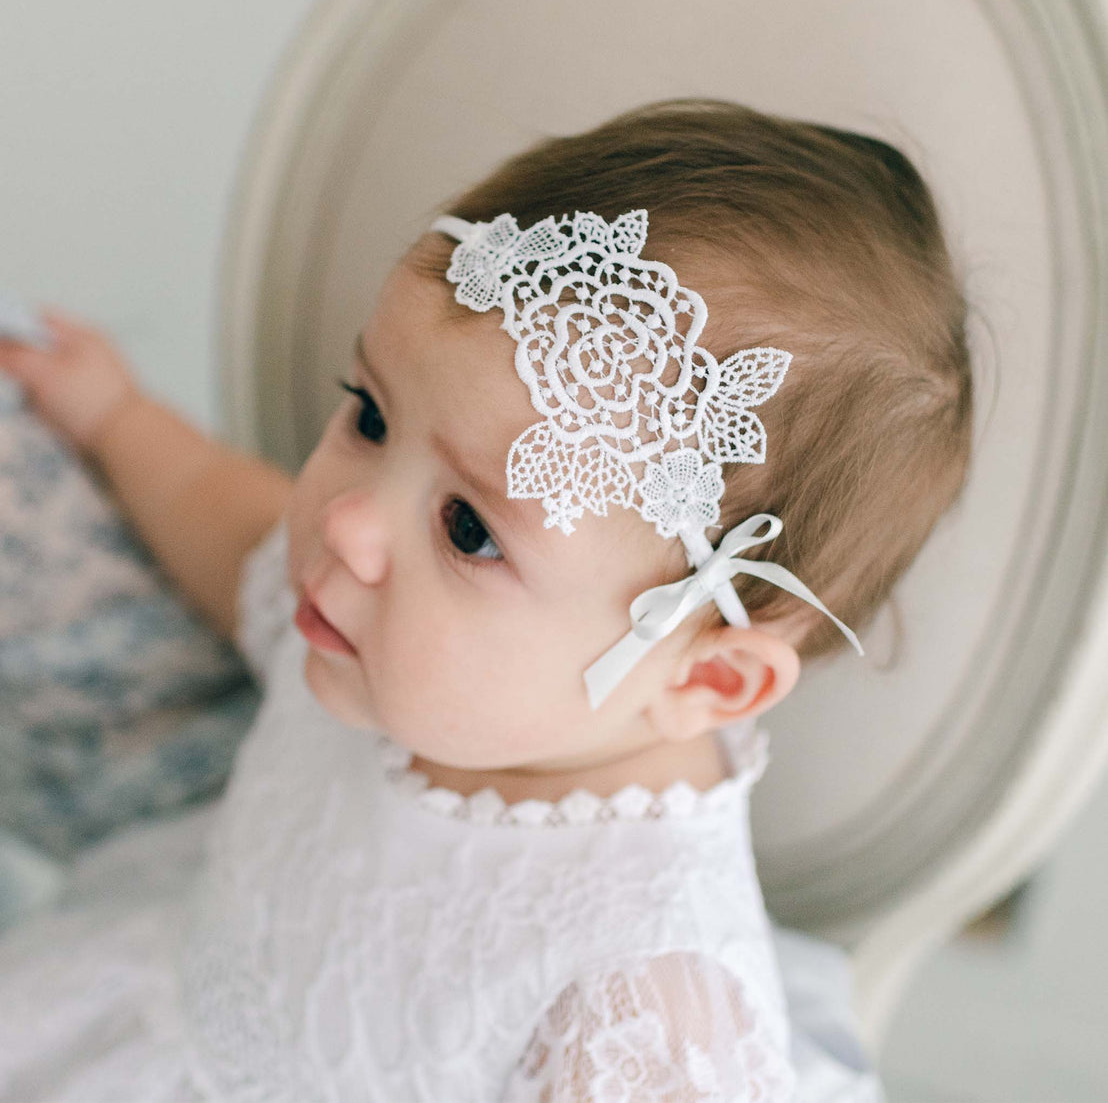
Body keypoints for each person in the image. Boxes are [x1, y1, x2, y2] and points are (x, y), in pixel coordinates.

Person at [0, 98, 972, 1101]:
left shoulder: (634, 994)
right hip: (161, 1001)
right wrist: (118, 420)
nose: (346, 522)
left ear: (711, 674)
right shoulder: (370, 624)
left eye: (468, 528)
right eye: (371, 415)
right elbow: (230, 525)